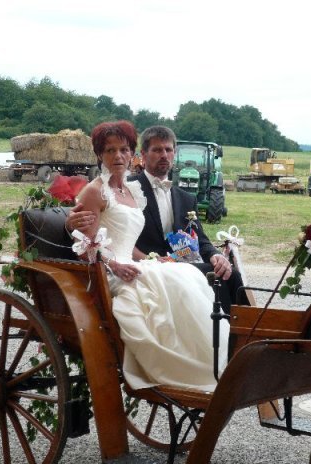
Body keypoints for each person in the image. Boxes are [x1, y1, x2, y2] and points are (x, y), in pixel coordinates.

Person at [73, 120, 229, 391]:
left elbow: (126, 241)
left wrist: (149, 259)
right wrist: (115, 264)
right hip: (108, 270)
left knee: (186, 274)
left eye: (123, 149)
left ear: (132, 153)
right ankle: (182, 369)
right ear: (100, 155)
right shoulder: (95, 190)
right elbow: (86, 247)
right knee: (172, 282)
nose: (118, 156)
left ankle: (211, 358)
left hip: (133, 262)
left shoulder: (132, 191)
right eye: (110, 151)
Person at [68, 125, 247, 314]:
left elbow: (200, 239)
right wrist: (68, 222)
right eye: (157, 150)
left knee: (228, 274)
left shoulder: (184, 198)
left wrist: (216, 255)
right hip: (141, 266)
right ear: (143, 155)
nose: (164, 155)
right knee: (203, 279)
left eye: (168, 150)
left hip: (167, 264)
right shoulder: (131, 187)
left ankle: (245, 332)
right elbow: (90, 227)